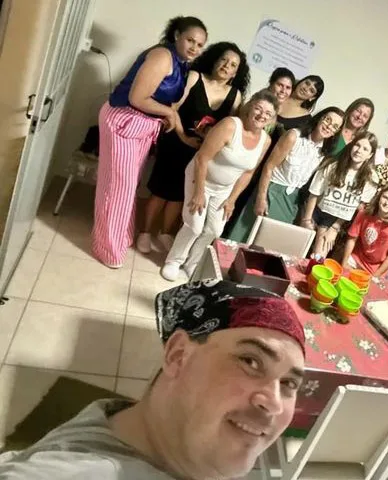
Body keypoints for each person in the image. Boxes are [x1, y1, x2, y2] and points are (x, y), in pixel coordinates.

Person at [0, 280, 306, 479]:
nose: (274, 403)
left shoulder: (119, 418)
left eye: (289, 383)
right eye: (250, 361)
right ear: (177, 355)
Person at [92, 16, 207, 269]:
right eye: (190, 40)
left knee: (127, 187)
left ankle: (120, 238)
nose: (194, 48)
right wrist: (168, 114)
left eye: (200, 45)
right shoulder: (162, 56)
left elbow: (168, 107)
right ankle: (107, 248)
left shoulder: (181, 64)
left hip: (141, 126)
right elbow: (137, 98)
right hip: (124, 120)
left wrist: (183, 136)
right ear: (177, 35)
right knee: (117, 188)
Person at [139, 42, 247, 254]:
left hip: (202, 153)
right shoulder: (195, 77)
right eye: (224, 60)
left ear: (236, 73)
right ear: (215, 60)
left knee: (181, 194)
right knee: (160, 190)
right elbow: (173, 109)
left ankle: (164, 233)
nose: (226, 65)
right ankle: (145, 232)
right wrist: (184, 137)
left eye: (233, 64)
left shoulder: (235, 95)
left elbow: (230, 127)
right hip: (175, 140)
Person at [161, 90, 277, 281]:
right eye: (258, 108)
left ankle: (192, 263)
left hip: (224, 190)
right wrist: (198, 192)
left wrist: (232, 200)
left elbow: (248, 173)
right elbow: (202, 159)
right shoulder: (230, 125)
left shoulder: (266, 140)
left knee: (215, 230)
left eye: (268, 113)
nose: (261, 115)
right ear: (249, 108)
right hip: (200, 179)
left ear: (272, 119)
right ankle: (174, 261)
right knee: (194, 226)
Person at [225, 106, 344, 242]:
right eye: (327, 120)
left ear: (336, 133)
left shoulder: (323, 152)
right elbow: (269, 167)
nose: (329, 127)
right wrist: (261, 198)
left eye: (335, 127)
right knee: (244, 237)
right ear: (319, 118)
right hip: (271, 191)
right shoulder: (294, 136)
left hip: (292, 200)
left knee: (270, 244)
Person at [227, 74, 326, 233]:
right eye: (306, 83)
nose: (306, 88)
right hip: (248, 151)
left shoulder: (307, 120)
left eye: (311, 90)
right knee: (229, 194)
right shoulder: (274, 99)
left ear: (312, 97)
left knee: (244, 207)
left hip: (269, 166)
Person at [302, 133, 378, 257]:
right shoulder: (333, 166)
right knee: (298, 249)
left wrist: (335, 227)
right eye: (357, 145)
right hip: (315, 211)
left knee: (318, 257)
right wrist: (307, 220)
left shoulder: (371, 178)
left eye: (365, 149)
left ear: (370, 155)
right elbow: (314, 193)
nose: (359, 151)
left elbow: (357, 207)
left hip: (334, 220)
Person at [341, 185, 388, 277]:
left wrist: (376, 275)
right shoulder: (364, 213)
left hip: (377, 268)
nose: (387, 203)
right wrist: (344, 262)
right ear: (379, 197)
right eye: (385, 197)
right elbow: (352, 238)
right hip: (356, 258)